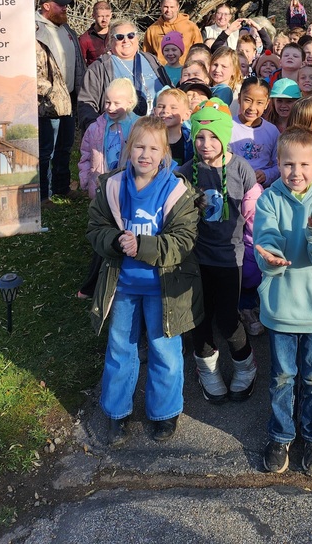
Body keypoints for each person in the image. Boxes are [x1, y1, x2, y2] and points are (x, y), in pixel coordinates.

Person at [87, 116, 203, 444]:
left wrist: (143, 246)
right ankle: (116, 412)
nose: (145, 154)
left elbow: (183, 241)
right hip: (122, 287)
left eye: (154, 148)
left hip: (163, 289)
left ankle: (165, 413)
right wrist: (112, 240)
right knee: (120, 348)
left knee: (164, 349)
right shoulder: (112, 186)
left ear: (165, 152)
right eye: (139, 146)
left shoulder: (177, 190)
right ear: (128, 149)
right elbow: (95, 228)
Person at [254, 129, 312, 474]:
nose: (296, 172)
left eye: (304, 164)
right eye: (288, 164)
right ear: (277, 163)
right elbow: (265, 241)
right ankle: (280, 435)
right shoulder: (269, 199)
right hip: (281, 306)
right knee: (281, 376)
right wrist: (271, 259)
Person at [178, 100, 261, 405]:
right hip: (197, 260)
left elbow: (255, 217)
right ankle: (207, 370)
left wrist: (258, 251)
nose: (206, 143)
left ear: (225, 137)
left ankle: (245, 365)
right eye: (200, 136)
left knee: (227, 319)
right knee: (199, 318)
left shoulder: (241, 168)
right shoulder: (185, 173)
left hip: (231, 258)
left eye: (213, 137)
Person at [76, 78, 140, 300]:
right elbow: (85, 155)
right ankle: (95, 283)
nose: (111, 108)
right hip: (101, 190)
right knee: (102, 234)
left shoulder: (138, 126)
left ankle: (111, 282)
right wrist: (85, 179)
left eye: (117, 103)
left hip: (128, 190)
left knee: (122, 233)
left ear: (130, 102)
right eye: (107, 102)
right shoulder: (96, 128)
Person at [35, 0, 85, 203]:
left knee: (64, 146)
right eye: (60, 5)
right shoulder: (34, 30)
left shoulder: (66, 29)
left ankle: (61, 188)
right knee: (46, 150)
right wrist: (46, 92)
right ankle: (43, 195)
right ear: (46, 6)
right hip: (47, 103)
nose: (65, 9)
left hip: (69, 98)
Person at [77, 20, 166, 134]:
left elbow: (169, 91)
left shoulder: (151, 60)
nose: (126, 40)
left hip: (158, 129)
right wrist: (97, 132)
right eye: (119, 37)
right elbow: (86, 104)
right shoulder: (99, 67)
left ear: (137, 38)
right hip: (120, 135)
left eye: (131, 35)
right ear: (111, 41)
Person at [230, 76, 280, 186]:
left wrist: (266, 174)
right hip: (233, 184)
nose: (252, 107)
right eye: (247, 100)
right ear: (239, 98)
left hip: (262, 188)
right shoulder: (228, 127)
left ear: (267, 104)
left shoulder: (272, 131)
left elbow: (279, 164)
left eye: (259, 103)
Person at [143, 0, 202, 65]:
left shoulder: (191, 27)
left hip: (185, 72)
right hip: (161, 73)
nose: (168, 10)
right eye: (165, 7)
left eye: (172, 7)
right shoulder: (152, 30)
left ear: (177, 7)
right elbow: (146, 57)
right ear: (161, 7)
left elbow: (199, 52)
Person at [154, 88, 193, 164]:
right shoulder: (147, 138)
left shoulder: (192, 142)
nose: (165, 111)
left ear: (187, 115)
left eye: (173, 107)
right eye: (161, 106)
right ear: (155, 111)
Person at [79, 0, 113, 66]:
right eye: (100, 16)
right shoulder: (84, 40)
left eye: (107, 16)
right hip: (95, 75)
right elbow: (80, 65)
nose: (104, 20)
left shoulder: (117, 35)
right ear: (93, 16)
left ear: (111, 15)